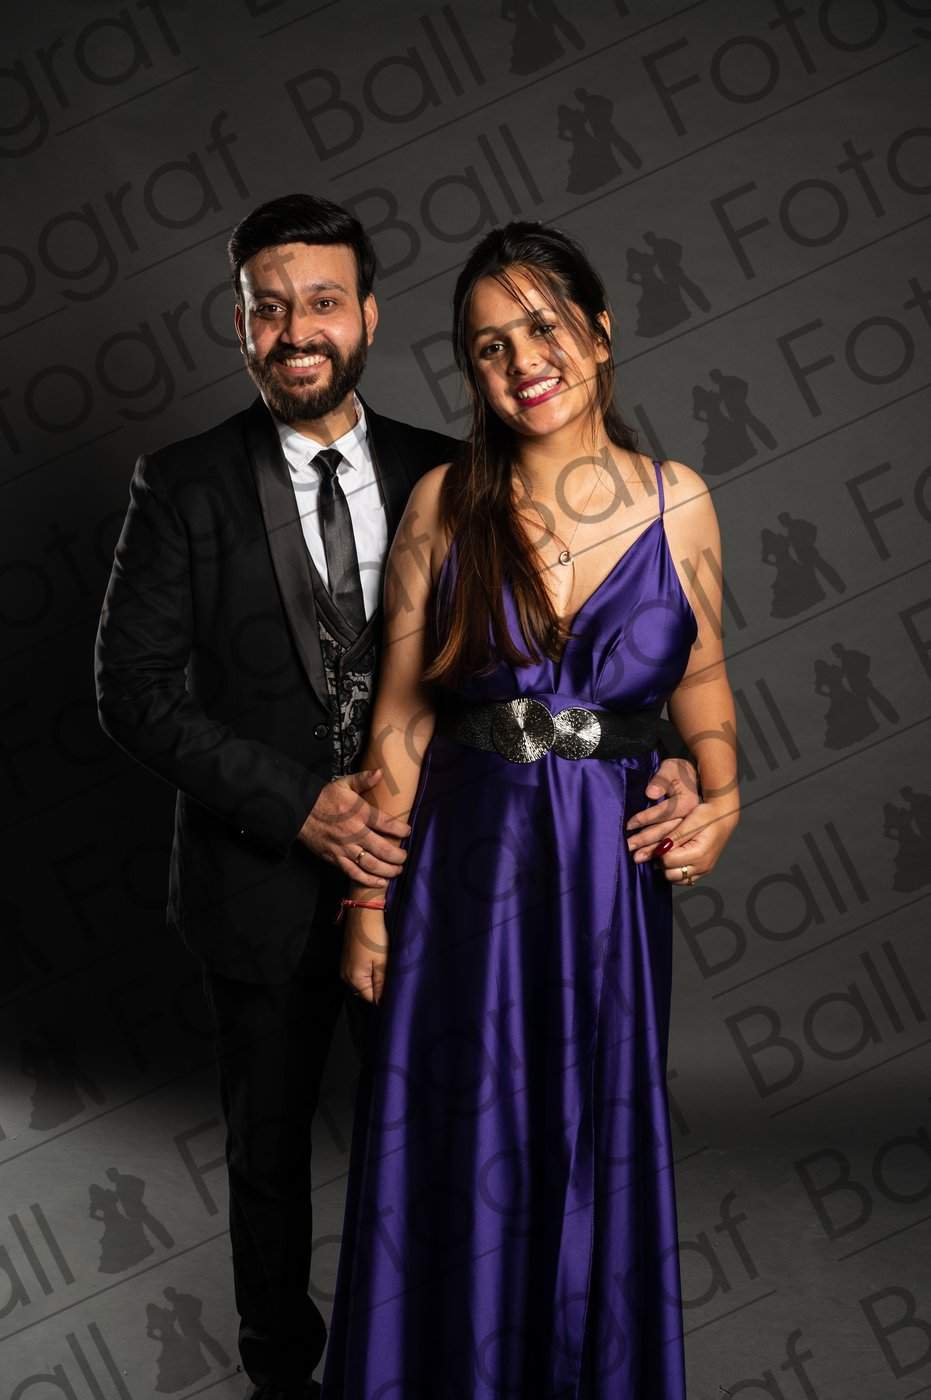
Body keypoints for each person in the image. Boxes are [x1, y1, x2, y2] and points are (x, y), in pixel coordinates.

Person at [94, 195, 699, 1400]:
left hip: (455, 886)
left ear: (368, 316)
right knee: (270, 1159)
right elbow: (134, 691)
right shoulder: (183, 483)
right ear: (241, 325)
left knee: (455, 1150)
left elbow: (585, 646)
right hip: (262, 878)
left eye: (322, 301)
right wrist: (301, 802)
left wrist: (670, 755)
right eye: (269, 308)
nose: (296, 329)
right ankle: (286, 1379)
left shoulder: (453, 470)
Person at [321, 221, 739, 1398]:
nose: (521, 362)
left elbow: (704, 688)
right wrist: (367, 903)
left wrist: (721, 791)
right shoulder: (445, 503)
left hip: (610, 879)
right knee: (459, 1139)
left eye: (541, 328)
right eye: (488, 347)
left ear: (597, 334)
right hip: (468, 871)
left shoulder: (679, 502)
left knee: (592, 1141)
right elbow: (400, 722)